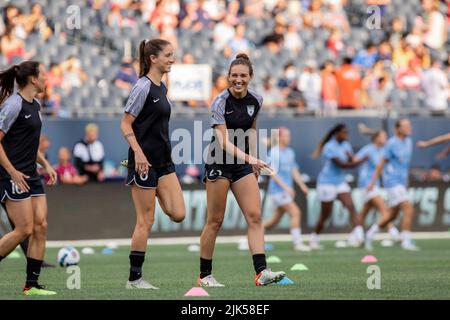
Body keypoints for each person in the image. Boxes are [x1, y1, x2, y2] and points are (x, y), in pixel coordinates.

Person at [198, 54, 286, 287]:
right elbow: (225, 142)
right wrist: (253, 159)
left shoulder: (256, 99)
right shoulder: (219, 101)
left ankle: (261, 272)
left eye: (243, 76)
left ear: (250, 77)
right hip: (219, 163)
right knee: (215, 220)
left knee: (255, 216)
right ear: (228, 77)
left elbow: (253, 131)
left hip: (243, 165)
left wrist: (254, 162)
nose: (238, 79)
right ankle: (204, 275)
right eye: (234, 75)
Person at [120, 38, 185, 289]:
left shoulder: (163, 87)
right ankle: (134, 278)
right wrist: (139, 155)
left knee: (178, 213)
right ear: (153, 59)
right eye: (168, 55)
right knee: (146, 221)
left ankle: (153, 191)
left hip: (164, 162)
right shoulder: (142, 87)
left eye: (173, 54)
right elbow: (125, 123)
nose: (172, 59)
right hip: (143, 163)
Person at [0, 61, 58, 295]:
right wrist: (12, 172)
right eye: (43, 75)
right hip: (12, 175)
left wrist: (45, 164)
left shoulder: (36, 105)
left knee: (40, 226)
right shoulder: (13, 105)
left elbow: (28, 143)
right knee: (23, 229)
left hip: (31, 175)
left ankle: (31, 285)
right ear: (33, 79)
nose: (47, 79)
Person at [310, 124, 367, 249]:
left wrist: (354, 159)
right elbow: (342, 165)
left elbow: (351, 160)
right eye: (344, 132)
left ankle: (359, 236)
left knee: (351, 206)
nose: (347, 135)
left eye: (348, 132)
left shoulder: (346, 145)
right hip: (326, 183)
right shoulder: (329, 147)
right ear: (337, 133)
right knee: (325, 214)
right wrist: (361, 161)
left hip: (340, 182)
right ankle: (314, 237)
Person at [365, 119, 419, 251]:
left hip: (401, 183)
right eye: (405, 126)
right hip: (392, 182)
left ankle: (370, 234)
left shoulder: (408, 142)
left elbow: (404, 165)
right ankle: (405, 241)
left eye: (409, 125)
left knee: (392, 215)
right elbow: (381, 164)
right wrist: (372, 182)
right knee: (408, 209)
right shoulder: (391, 144)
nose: (409, 127)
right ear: (398, 129)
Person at [264, 127, 310, 251]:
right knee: (295, 212)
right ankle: (297, 243)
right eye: (286, 135)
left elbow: (294, 170)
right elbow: (272, 173)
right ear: (279, 137)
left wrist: (302, 186)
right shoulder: (273, 152)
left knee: (274, 221)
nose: (289, 138)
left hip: (285, 191)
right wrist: (286, 187)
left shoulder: (290, 152)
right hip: (277, 191)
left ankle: (249, 238)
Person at [354, 130, 400, 250]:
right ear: (376, 138)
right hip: (367, 184)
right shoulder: (368, 149)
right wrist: (363, 160)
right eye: (383, 136)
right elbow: (355, 160)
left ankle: (356, 235)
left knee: (365, 211)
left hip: (376, 184)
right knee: (383, 207)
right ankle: (394, 234)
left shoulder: (384, 150)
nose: (386, 138)